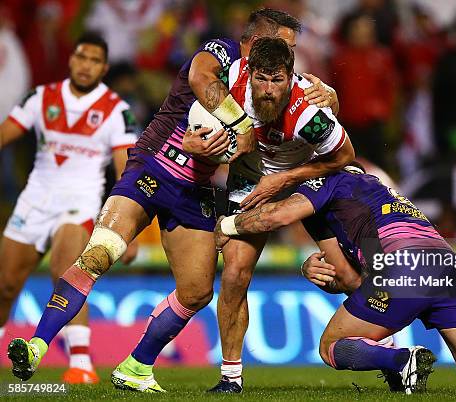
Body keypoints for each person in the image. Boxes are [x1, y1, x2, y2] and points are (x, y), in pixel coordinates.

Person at [6, 8, 337, 392]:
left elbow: (324, 123)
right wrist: (242, 127)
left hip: (195, 189)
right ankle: (35, 346)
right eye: (287, 45)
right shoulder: (223, 53)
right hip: (155, 167)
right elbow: (199, 75)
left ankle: (136, 367)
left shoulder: (272, 81)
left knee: (197, 291)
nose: (293, 54)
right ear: (260, 42)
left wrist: (330, 95)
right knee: (101, 251)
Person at [214, 164, 456, 396]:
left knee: (331, 346)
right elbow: (354, 281)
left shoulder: (328, 180)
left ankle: (402, 360)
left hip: (404, 266)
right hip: (448, 264)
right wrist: (325, 275)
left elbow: (277, 217)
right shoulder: (379, 192)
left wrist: (228, 224)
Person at [188, 37, 354, 393]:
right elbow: (197, 88)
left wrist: (287, 178)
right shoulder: (229, 85)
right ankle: (230, 378)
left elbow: (344, 157)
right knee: (234, 272)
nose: (267, 90)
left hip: (306, 178)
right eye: (261, 79)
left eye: (277, 80)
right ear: (249, 73)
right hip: (249, 181)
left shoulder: (308, 114)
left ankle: (385, 351)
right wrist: (191, 144)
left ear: (290, 77)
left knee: (347, 273)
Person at [0, 33, 138, 384]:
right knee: (5, 284)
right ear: (71, 59)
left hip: (81, 203)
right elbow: (6, 133)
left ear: (103, 68)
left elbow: (125, 170)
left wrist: (129, 226)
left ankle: (81, 365)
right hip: (35, 199)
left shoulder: (116, 111)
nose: (85, 65)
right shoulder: (41, 97)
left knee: (67, 271)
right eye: (81, 57)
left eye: (94, 60)